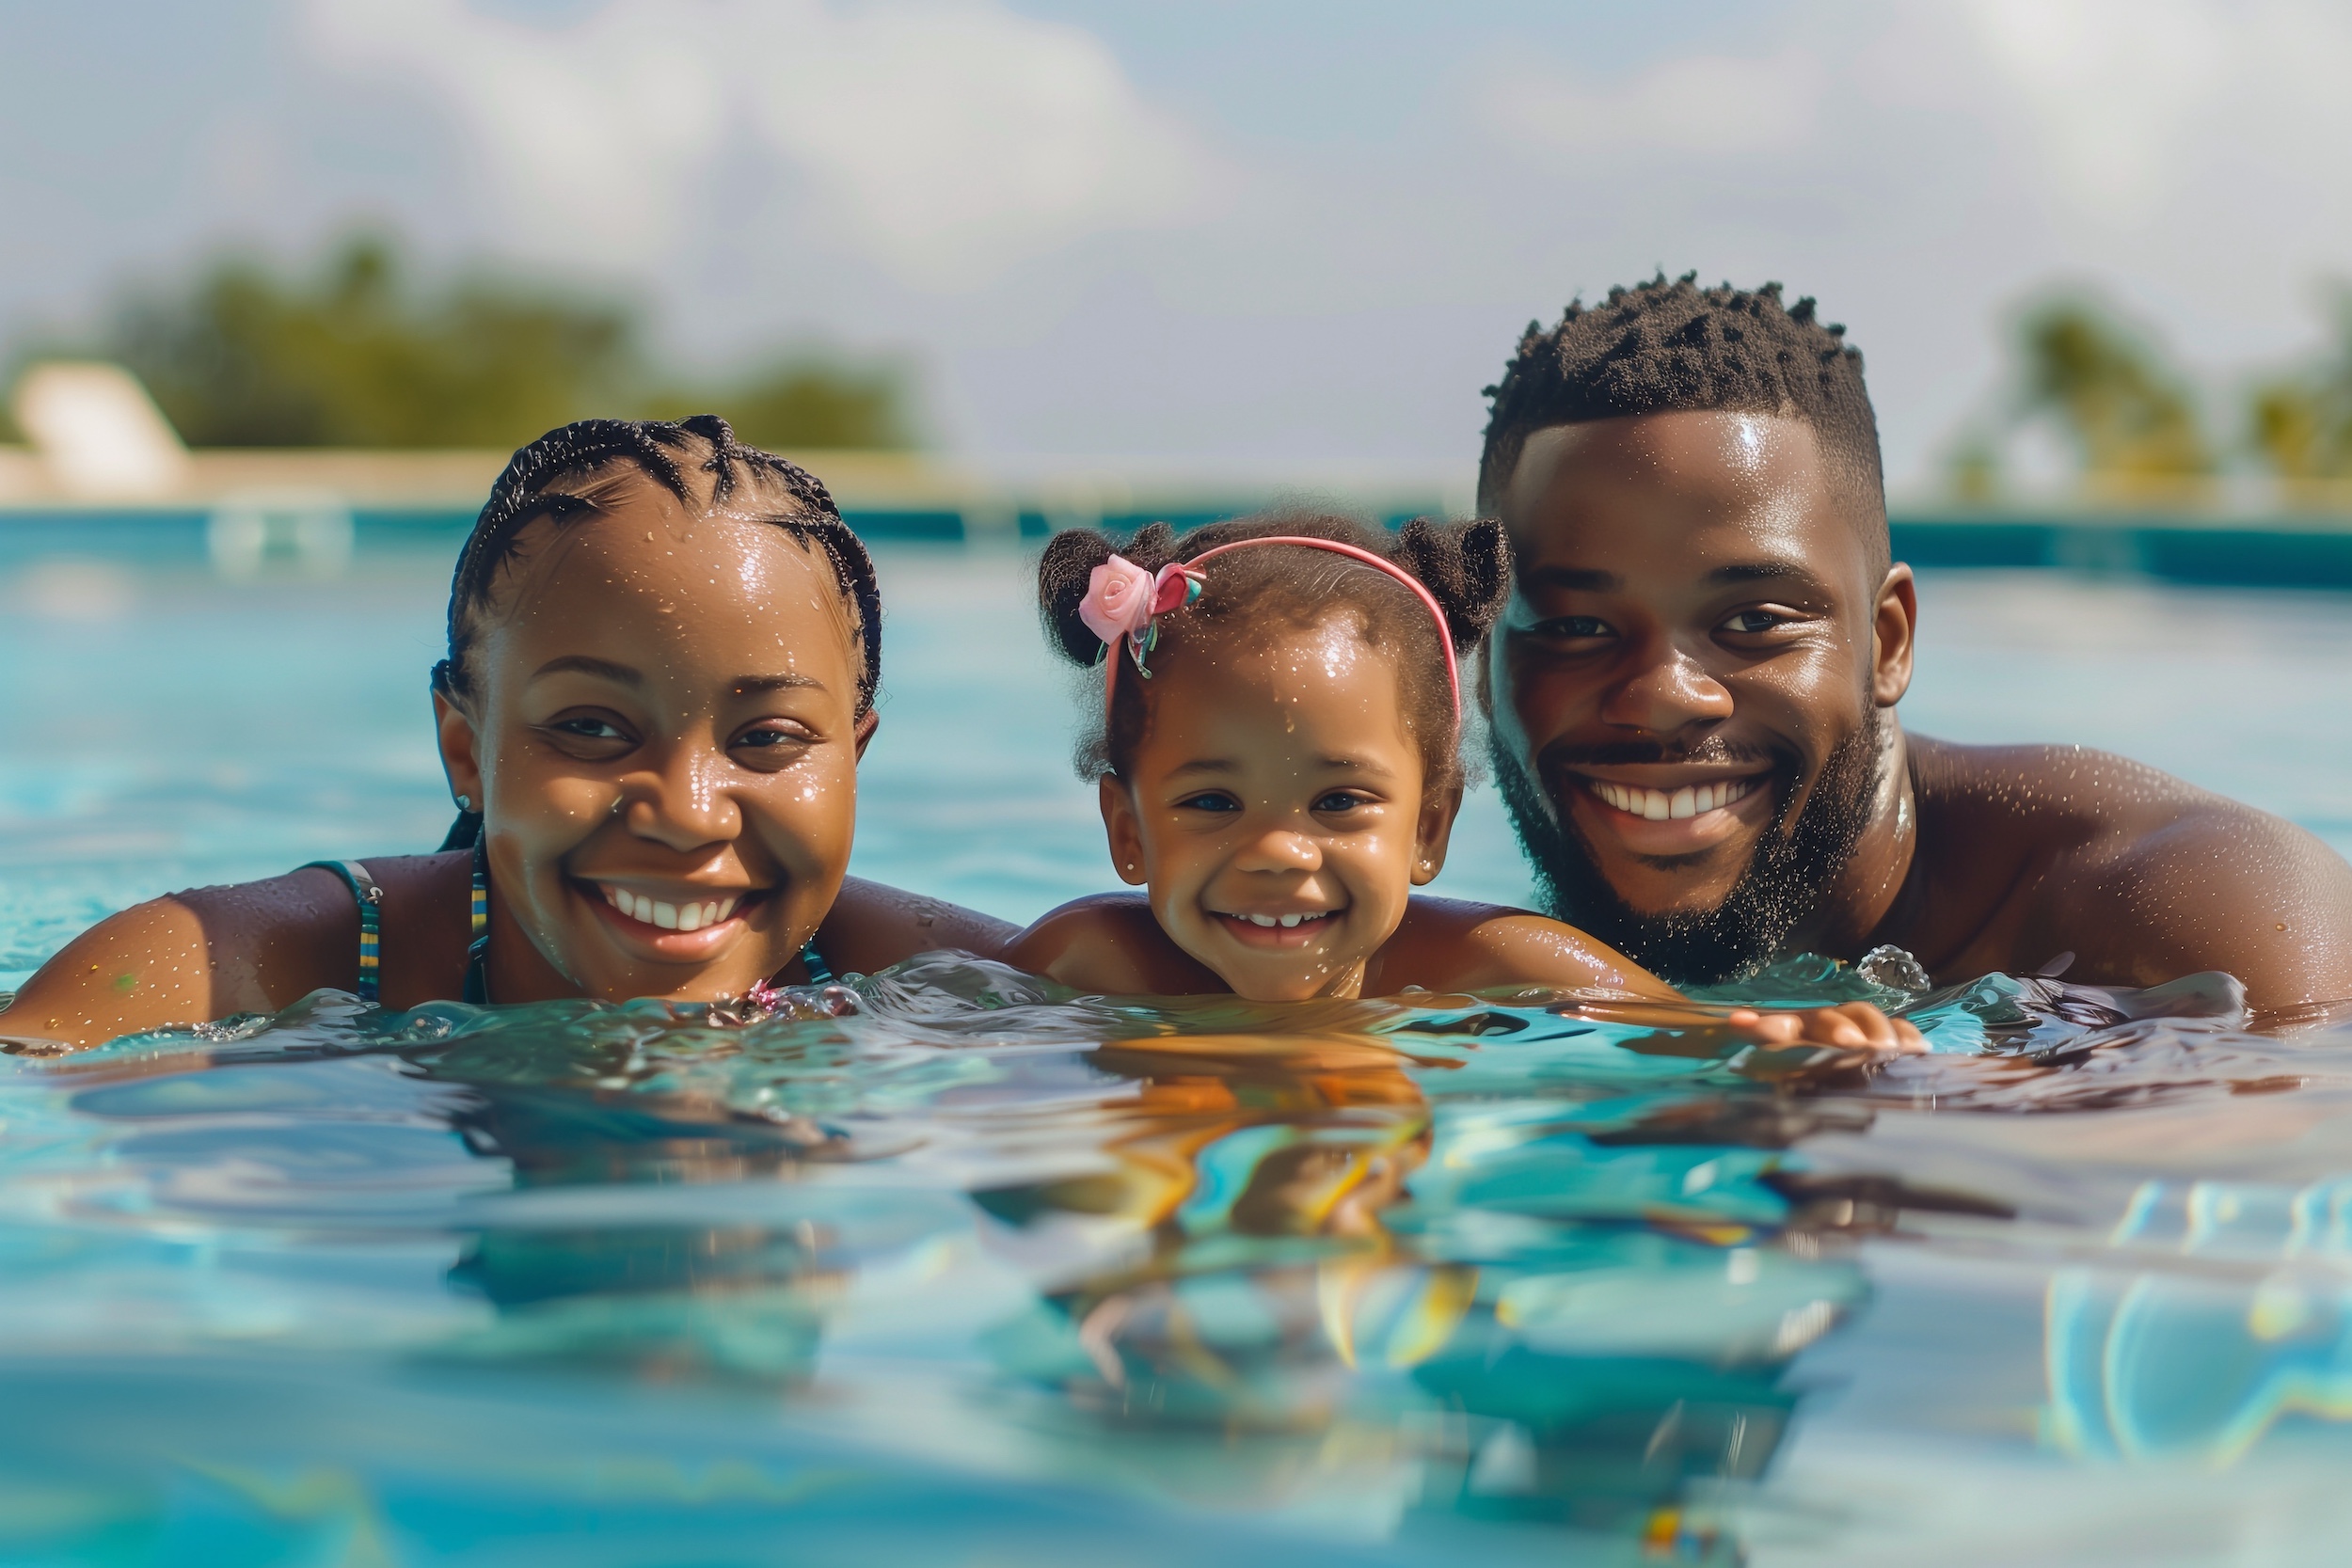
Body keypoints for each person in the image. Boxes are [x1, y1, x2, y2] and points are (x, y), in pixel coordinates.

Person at [2, 416, 1014, 1053]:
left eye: (768, 737)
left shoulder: (950, 984)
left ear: (855, 759)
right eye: (589, 726)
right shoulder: (245, 965)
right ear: (462, 748)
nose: (685, 811)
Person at [1478, 275, 2352, 1009]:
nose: (1666, 693)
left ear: (1887, 640)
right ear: (1483, 667)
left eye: (1754, 620)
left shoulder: (2205, 923)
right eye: (1576, 628)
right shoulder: (1385, 918)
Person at [1007, 511, 1921, 1052]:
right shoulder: (1088, 966)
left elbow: (1701, 1034)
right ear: (1126, 829)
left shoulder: (1491, 966)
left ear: (1429, 828)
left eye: (1339, 802)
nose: (1281, 850)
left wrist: (1790, 1046)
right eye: (1211, 801)